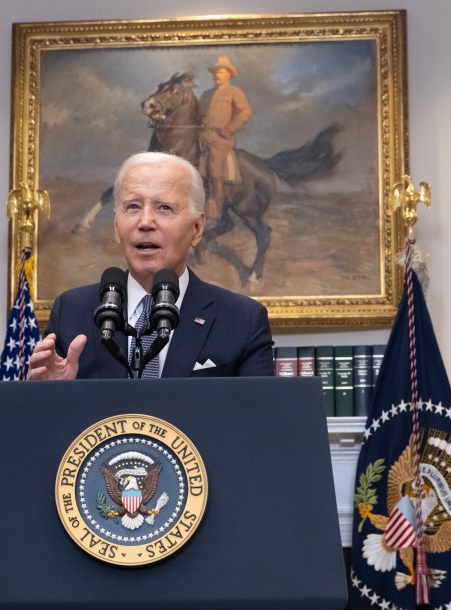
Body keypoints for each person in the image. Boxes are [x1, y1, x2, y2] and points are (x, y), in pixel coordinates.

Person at [29, 151, 273, 380]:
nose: (145, 222)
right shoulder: (72, 312)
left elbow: (258, 419)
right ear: (116, 226)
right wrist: (53, 393)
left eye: (164, 207)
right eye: (133, 206)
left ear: (197, 229)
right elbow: (50, 419)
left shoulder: (242, 320)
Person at [202, 56, 252, 220]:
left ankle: (215, 206)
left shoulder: (234, 92)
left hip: (220, 138)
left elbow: (245, 112)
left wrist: (229, 129)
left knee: (214, 164)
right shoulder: (206, 94)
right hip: (202, 135)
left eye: (222, 71)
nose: (218, 74)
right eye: (216, 71)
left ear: (229, 74)